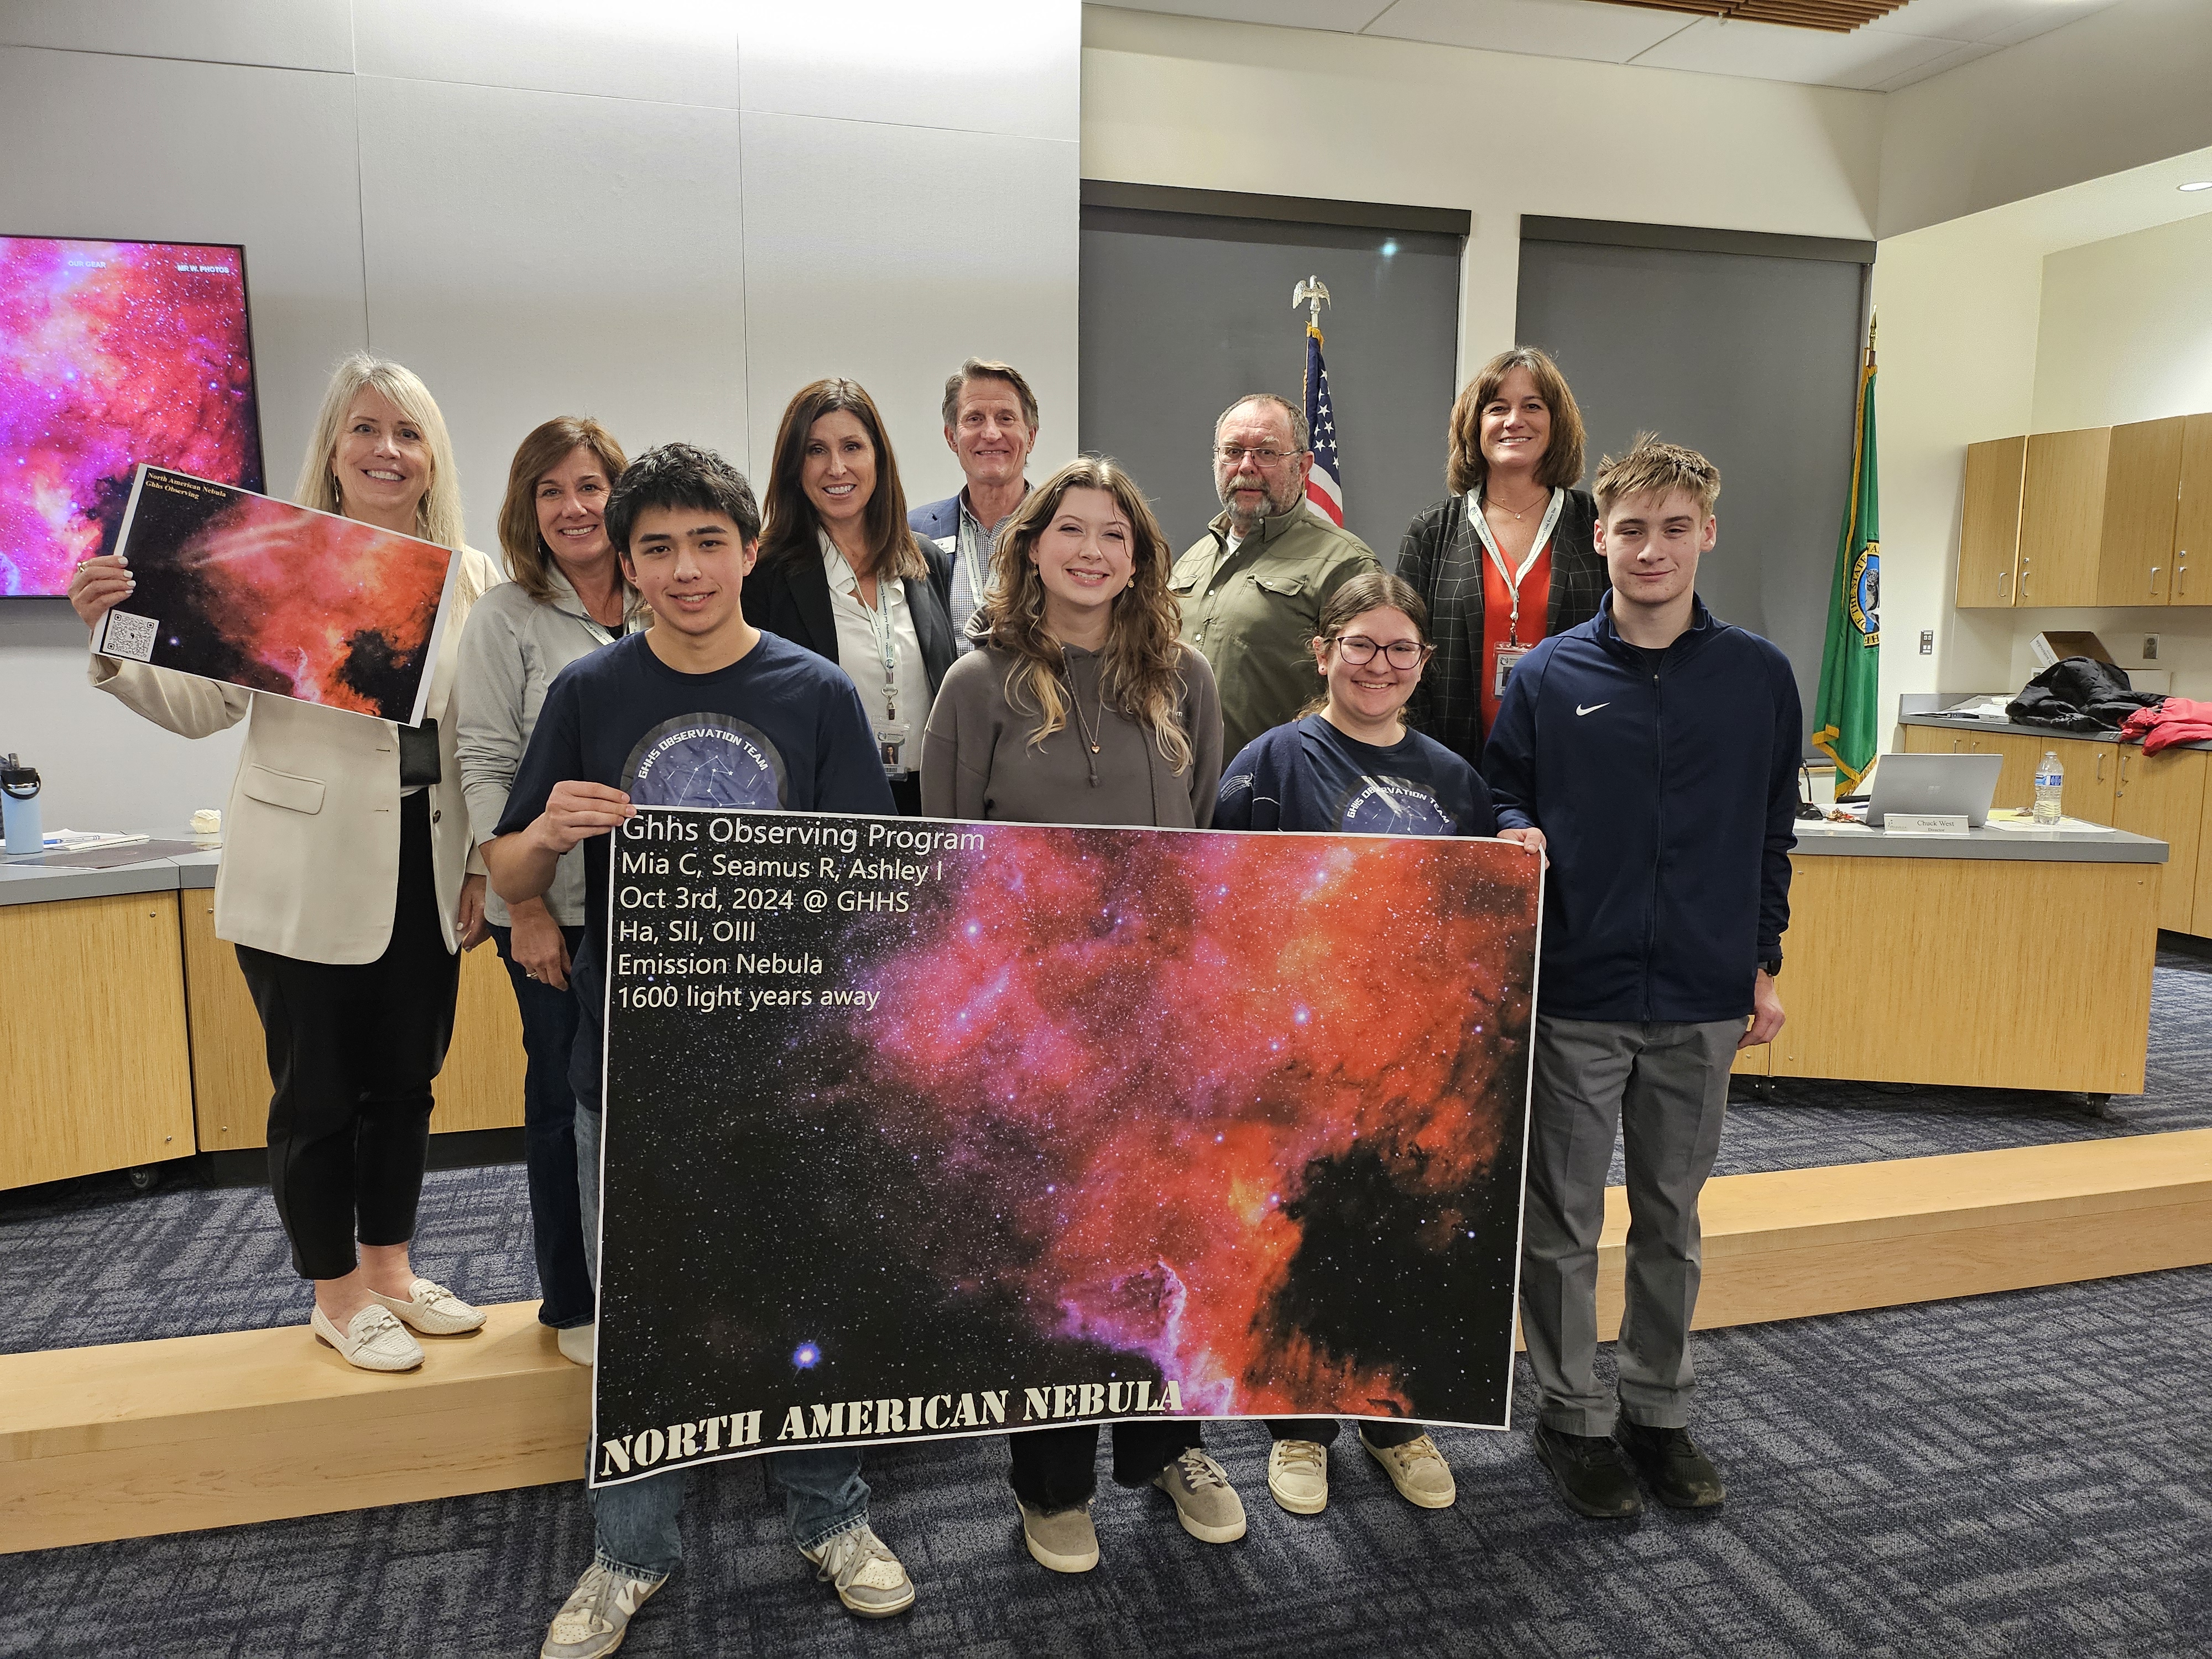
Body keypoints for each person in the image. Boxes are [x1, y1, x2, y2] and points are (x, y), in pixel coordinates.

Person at [486, 444, 915, 1658]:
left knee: (805, 1300)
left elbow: (871, 888)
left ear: (745, 551)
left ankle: (831, 1517)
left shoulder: (816, 693)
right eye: (657, 549)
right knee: (643, 1319)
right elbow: (505, 869)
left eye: (707, 542)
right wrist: (544, 842)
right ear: (623, 567)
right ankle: (628, 1553)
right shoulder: (588, 694)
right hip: (631, 1066)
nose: (685, 570)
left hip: (788, 1066)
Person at [66, 353, 500, 1373]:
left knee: (407, 1084)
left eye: (407, 430)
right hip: (304, 864)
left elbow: (480, 743)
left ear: (433, 454)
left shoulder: (473, 579)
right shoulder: (268, 556)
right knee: (317, 1093)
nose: (385, 449)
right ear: (334, 449)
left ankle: (392, 1272)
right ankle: (336, 1294)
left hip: (425, 869)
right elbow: (198, 708)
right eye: (363, 428)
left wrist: (482, 864)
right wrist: (114, 638)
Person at [919, 455, 1233, 1575]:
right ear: (1033, 546)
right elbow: (949, 864)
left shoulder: (1184, 679)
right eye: (1072, 531)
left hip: (1156, 1019)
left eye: (1116, 535)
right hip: (1033, 1028)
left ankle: (1168, 1449)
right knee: (1051, 1251)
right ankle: (1049, 1484)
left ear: (1139, 557)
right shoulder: (975, 687)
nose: (1093, 550)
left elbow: (1194, 841)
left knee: (1163, 1237)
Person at [1480, 437, 1797, 1522]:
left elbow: (1770, 834)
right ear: (1598, 538)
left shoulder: (1755, 678)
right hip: (1576, 990)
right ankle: (1571, 1419)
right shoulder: (1548, 674)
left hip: (1703, 996)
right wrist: (1517, 828)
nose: (1649, 549)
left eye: (1672, 528)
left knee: (1671, 1214)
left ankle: (1655, 1412)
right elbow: (1499, 794)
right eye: (1629, 529)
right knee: (1561, 1215)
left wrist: (1762, 965)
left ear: (1705, 533)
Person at [1216, 570, 1542, 1516]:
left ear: (1424, 663)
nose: (1380, 664)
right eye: (1360, 644)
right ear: (1322, 653)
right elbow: (1227, 904)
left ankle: (1399, 1422)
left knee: (1414, 1237)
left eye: (1401, 648)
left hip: (1427, 1058)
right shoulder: (1269, 763)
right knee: (1312, 1236)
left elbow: (1484, 919)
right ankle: (1302, 1430)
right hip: (1305, 1052)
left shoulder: (1454, 780)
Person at [457, 416, 643, 1368]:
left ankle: (653, 1292)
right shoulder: (505, 618)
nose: (574, 507)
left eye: (590, 486)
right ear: (529, 509)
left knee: (649, 1114)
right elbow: (486, 769)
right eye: (550, 491)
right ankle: (575, 1303)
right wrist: (521, 902)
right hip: (555, 911)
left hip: (661, 909)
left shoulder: (666, 594)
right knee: (563, 1102)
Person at [743, 378, 957, 816]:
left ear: (878, 458)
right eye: (816, 450)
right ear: (793, 467)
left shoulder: (927, 561)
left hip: (927, 802)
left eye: (853, 447)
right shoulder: (762, 572)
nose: (836, 468)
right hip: (822, 807)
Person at [1399, 347, 1610, 768]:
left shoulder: (1597, 525)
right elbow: (1404, 655)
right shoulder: (1432, 532)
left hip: (1578, 760)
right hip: (1451, 763)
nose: (1515, 421)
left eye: (1533, 406)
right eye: (1498, 408)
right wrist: (1427, 764)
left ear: (1557, 424)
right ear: (1475, 426)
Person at [1170, 393, 1380, 758]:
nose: (1246, 466)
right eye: (1233, 452)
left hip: (1278, 793)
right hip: (1178, 791)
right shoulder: (1191, 561)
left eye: (1266, 453)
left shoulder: (1344, 563)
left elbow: (1374, 690)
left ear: (1303, 466)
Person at [909, 357, 1040, 649]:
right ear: (952, 438)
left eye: (1006, 418)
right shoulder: (913, 534)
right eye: (974, 419)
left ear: (1030, 437)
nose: (991, 434)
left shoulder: (1061, 526)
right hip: (949, 695)